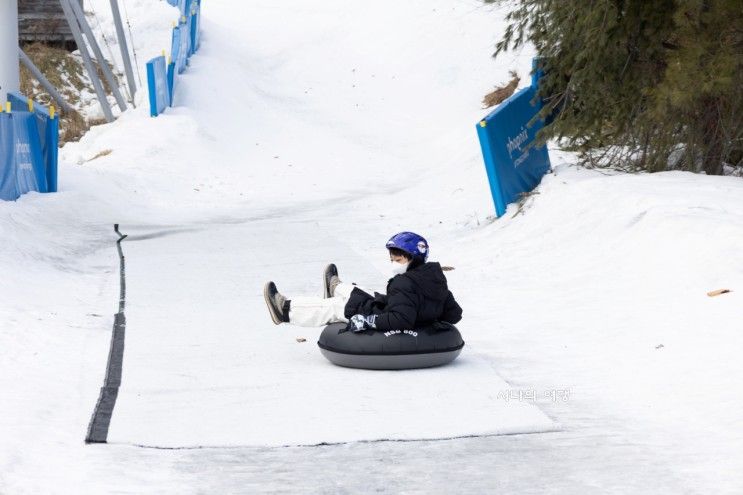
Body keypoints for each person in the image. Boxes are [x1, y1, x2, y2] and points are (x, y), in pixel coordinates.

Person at [263, 232, 462, 332]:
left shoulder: (405, 283)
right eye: (392, 259)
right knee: (366, 293)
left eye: (398, 259)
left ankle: (285, 310)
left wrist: (367, 321)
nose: (394, 263)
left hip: (385, 316)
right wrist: (428, 315)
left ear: (414, 259)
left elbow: (401, 319)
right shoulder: (435, 277)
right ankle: (336, 287)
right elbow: (454, 313)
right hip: (399, 306)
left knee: (335, 307)